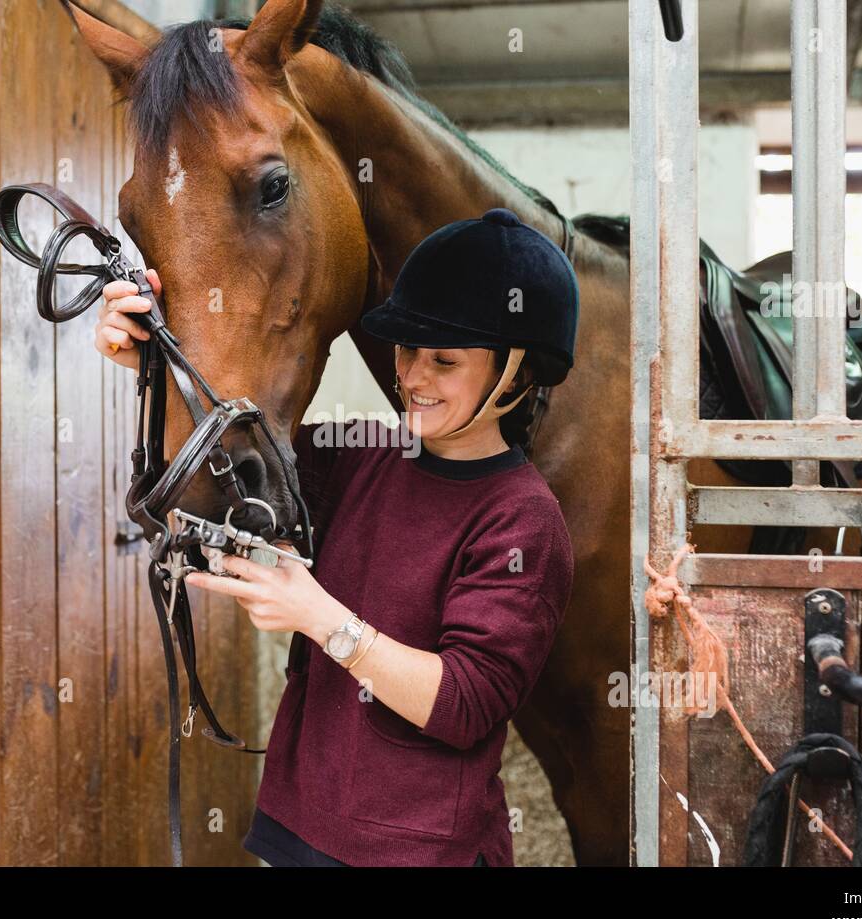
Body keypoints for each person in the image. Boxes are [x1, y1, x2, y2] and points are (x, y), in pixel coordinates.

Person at [95, 208, 578, 866]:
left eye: (444, 360)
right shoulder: (360, 451)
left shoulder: (523, 519)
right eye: (407, 351)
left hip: (420, 851)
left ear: (518, 374)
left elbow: (465, 703)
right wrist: (151, 361)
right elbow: (233, 457)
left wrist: (319, 616)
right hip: (296, 826)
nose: (412, 376)